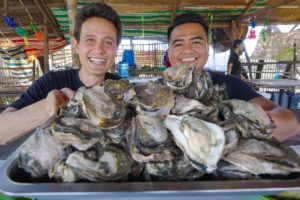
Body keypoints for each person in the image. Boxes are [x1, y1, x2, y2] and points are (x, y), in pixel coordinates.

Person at [167, 12, 300, 142]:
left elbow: (287, 119)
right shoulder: (154, 92)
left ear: (208, 49)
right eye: (179, 44)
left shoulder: (230, 85)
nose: (188, 50)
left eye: (196, 42)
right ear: (169, 53)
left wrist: (258, 121)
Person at [0, 3, 122, 145]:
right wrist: (47, 108)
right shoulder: (52, 82)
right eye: (90, 40)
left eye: (108, 42)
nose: (99, 50)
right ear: (77, 45)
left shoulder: (122, 91)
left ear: (115, 50)